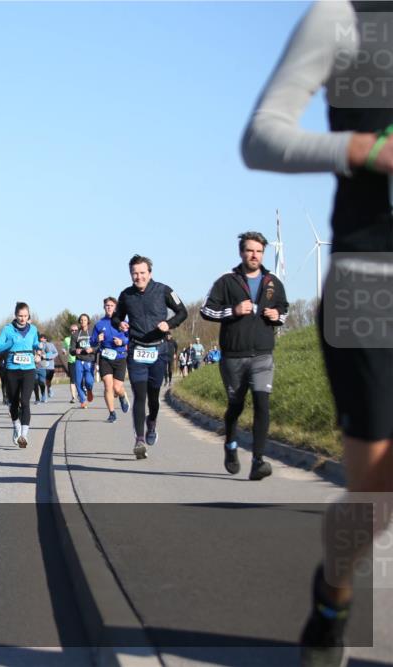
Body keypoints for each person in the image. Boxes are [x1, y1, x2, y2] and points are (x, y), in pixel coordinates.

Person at [242, 2, 393, 662]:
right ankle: (334, 592)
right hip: (372, 281)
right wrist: (361, 149)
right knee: (376, 495)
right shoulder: (343, 17)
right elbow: (261, 137)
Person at [201, 231, 289, 481]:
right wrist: (233, 310)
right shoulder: (227, 281)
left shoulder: (272, 282)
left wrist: (277, 316)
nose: (254, 255)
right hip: (234, 356)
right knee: (236, 406)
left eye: (259, 251)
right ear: (241, 252)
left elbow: (284, 310)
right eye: (250, 250)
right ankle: (230, 444)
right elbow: (206, 310)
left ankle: (258, 461)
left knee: (262, 404)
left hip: (263, 355)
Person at [113, 255, 188, 459]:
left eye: (142, 273)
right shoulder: (126, 295)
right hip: (136, 350)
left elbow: (182, 312)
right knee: (140, 396)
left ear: (150, 273)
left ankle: (152, 422)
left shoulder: (164, 290)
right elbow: (116, 317)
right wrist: (120, 323)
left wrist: (169, 324)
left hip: (159, 350)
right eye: (135, 273)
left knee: (153, 397)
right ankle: (139, 440)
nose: (139, 277)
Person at [0, 302, 41, 448]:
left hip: (29, 369)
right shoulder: (7, 329)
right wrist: (9, 343)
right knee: (13, 403)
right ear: (15, 315)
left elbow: (36, 344)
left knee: (25, 402)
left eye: (25, 316)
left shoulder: (33, 329)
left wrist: (39, 351)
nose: (23, 318)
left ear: (28, 315)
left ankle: (24, 436)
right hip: (12, 370)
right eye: (20, 316)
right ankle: (16, 426)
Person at [92, 297, 131, 422]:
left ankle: (122, 395)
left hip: (120, 357)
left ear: (116, 307)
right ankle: (112, 413)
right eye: (107, 305)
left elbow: (131, 338)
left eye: (111, 305)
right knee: (108, 386)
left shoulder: (123, 322)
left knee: (117, 388)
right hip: (105, 358)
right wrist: (97, 339)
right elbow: (92, 342)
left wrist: (122, 341)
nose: (109, 307)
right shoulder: (99, 324)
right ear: (104, 307)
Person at [71, 314, 96, 409]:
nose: (83, 321)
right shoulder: (75, 335)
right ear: (79, 321)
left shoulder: (93, 333)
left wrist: (92, 349)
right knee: (78, 381)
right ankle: (82, 400)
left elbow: (98, 346)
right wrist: (75, 351)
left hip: (90, 359)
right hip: (79, 360)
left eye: (85, 320)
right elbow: (71, 350)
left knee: (89, 381)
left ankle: (89, 390)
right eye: (81, 320)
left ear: (88, 321)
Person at [64, 324, 79, 404]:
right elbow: (64, 348)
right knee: (72, 380)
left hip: (80, 360)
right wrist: (64, 351)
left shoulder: (81, 338)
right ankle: (73, 397)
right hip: (71, 361)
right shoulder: (67, 339)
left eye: (76, 330)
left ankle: (81, 393)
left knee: (80, 379)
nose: (74, 332)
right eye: (72, 330)